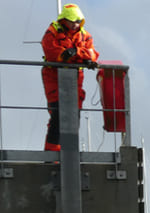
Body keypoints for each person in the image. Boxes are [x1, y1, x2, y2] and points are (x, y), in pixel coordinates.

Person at [41, 4, 99, 152]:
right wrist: (76, 55)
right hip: (53, 77)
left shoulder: (85, 35)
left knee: (74, 115)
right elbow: (52, 53)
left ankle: (68, 152)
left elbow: (93, 54)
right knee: (57, 114)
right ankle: (52, 155)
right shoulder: (52, 32)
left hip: (75, 79)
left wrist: (75, 52)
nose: (75, 24)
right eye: (72, 21)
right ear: (64, 20)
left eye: (78, 21)